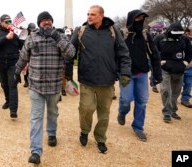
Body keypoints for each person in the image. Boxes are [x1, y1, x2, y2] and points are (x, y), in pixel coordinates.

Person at [65, 5, 131, 153]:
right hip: (87, 80)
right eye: (88, 14)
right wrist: (67, 76)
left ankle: (100, 139)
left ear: (101, 16)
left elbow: (123, 53)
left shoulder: (113, 31)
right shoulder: (80, 31)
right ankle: (84, 131)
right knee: (86, 109)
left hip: (107, 81)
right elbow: (70, 54)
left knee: (104, 114)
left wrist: (125, 73)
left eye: (93, 14)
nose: (89, 16)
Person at [15, 11, 75, 164]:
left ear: (52, 22)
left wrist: (56, 37)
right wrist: (16, 72)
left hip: (54, 86)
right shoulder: (31, 37)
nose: (47, 23)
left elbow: (71, 54)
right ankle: (35, 151)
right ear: (39, 23)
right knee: (36, 118)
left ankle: (52, 133)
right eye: (44, 21)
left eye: (49, 20)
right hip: (36, 85)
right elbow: (23, 57)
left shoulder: (61, 37)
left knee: (53, 113)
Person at [117, 10, 162, 142]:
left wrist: (157, 75)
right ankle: (122, 112)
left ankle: (138, 127)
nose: (140, 20)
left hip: (142, 73)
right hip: (126, 73)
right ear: (131, 19)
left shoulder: (145, 35)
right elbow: (115, 54)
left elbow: (155, 55)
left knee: (142, 102)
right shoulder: (122, 34)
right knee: (126, 100)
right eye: (138, 18)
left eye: (142, 18)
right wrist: (115, 72)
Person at [154, 22, 192, 122]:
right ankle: (167, 112)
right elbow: (153, 51)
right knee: (165, 90)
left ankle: (173, 110)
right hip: (165, 69)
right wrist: (159, 61)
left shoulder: (185, 39)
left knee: (176, 92)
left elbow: (189, 52)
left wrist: (185, 62)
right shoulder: (159, 38)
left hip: (179, 70)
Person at [0, 14, 23, 119]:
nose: (8, 23)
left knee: (12, 85)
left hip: (13, 63)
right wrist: (6, 38)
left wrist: (19, 35)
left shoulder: (15, 32)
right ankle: (8, 100)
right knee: (4, 84)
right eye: (6, 22)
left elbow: (23, 46)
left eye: (10, 21)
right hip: (1, 63)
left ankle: (13, 110)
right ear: (1, 23)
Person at [180, 28, 192, 108]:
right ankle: (171, 99)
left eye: (188, 33)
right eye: (186, 33)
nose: (187, 35)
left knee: (188, 84)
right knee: (177, 84)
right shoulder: (178, 42)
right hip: (179, 67)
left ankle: (185, 99)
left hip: (190, 67)